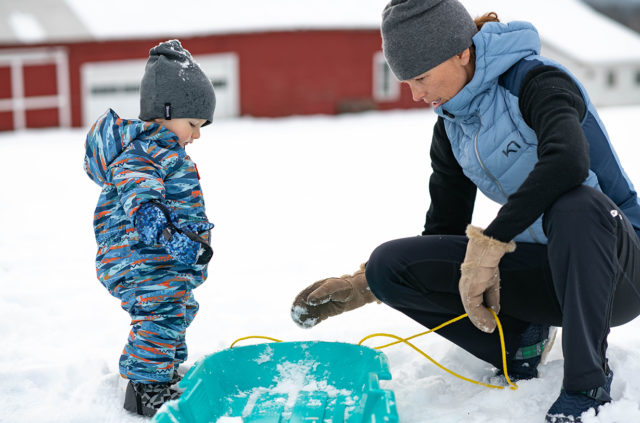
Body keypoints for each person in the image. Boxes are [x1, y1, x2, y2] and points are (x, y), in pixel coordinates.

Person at [290, 1, 640, 421]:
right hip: (545, 271)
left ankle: (587, 385)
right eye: (406, 81)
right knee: (391, 264)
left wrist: (492, 242)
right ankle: (517, 345)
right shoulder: (452, 124)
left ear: (462, 52)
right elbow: (443, 230)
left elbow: (568, 163)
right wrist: (368, 283)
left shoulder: (537, 81)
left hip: (617, 267)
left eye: (421, 77)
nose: (417, 94)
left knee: (575, 205)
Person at [83, 39, 216, 416]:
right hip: (136, 255)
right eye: (193, 124)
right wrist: (175, 240)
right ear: (166, 111)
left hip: (157, 256)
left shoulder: (166, 152)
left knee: (177, 308)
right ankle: (146, 388)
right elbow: (141, 201)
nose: (197, 134)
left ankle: (164, 372)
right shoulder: (143, 152)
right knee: (161, 312)